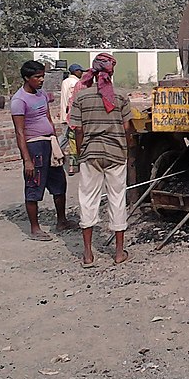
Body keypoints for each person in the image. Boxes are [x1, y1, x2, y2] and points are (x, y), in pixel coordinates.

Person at [70, 53, 136, 267]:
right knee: (117, 199)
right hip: (116, 154)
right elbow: (128, 129)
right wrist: (127, 149)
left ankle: (88, 254)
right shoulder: (121, 96)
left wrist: (81, 154)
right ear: (111, 71)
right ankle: (118, 253)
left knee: (88, 200)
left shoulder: (81, 97)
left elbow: (78, 129)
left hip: (90, 154)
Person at [10, 60, 77, 241]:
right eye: (37, 77)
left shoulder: (40, 95)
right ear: (26, 78)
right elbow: (19, 131)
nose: (41, 80)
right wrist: (27, 160)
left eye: (42, 76)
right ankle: (35, 228)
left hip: (50, 143)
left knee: (59, 183)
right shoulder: (19, 100)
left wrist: (56, 142)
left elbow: (47, 117)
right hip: (34, 146)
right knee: (34, 185)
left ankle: (61, 220)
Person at [59, 63, 84, 175]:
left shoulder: (65, 82)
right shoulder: (75, 83)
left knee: (67, 137)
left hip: (66, 114)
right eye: (80, 71)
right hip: (73, 115)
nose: (82, 73)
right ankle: (72, 165)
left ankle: (56, 154)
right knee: (72, 140)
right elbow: (73, 100)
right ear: (75, 71)